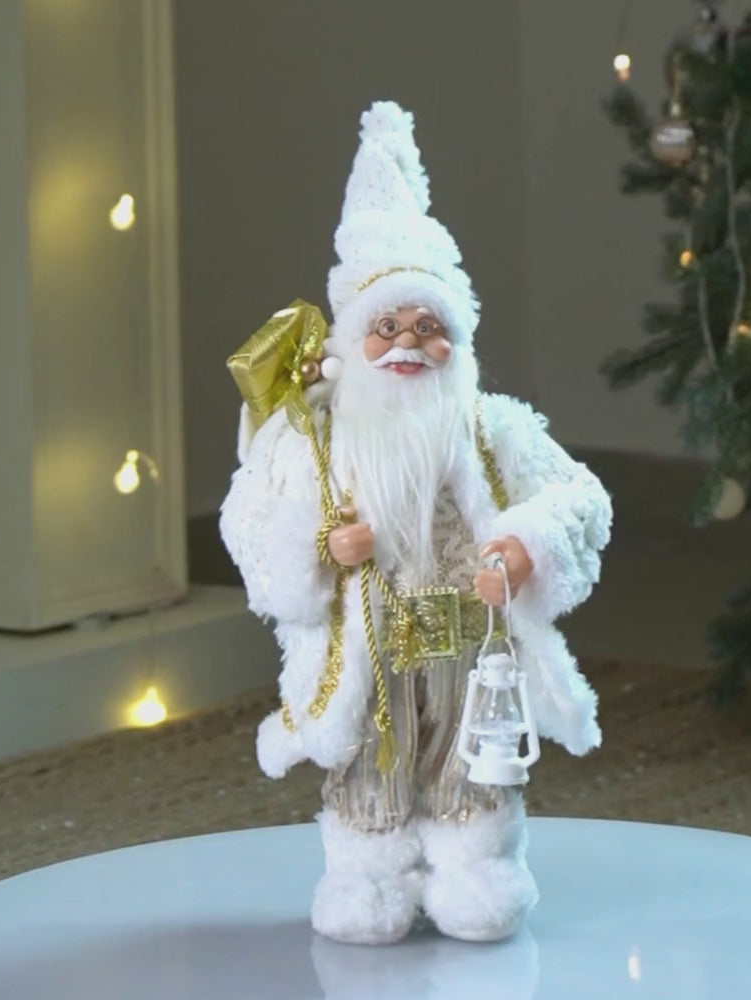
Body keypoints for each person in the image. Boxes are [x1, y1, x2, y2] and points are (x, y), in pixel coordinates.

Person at [220, 101, 612, 945]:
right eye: (386, 328)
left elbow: (581, 499)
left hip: (470, 644)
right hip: (370, 647)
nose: (408, 344)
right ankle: (367, 872)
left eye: (429, 328)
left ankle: (477, 866)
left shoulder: (493, 429)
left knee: (475, 758)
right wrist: (320, 548)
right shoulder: (315, 441)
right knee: (372, 757)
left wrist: (525, 546)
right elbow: (248, 519)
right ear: (352, 340)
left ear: (456, 342)